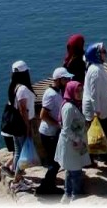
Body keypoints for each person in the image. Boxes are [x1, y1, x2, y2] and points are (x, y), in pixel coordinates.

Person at [37, 67, 72, 195]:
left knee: (56, 161)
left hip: (53, 132)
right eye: (65, 78)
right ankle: (45, 188)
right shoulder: (51, 94)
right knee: (55, 162)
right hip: (49, 133)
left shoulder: (59, 91)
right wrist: (58, 124)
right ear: (58, 80)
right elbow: (43, 115)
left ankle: (48, 186)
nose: (68, 80)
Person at [2, 60, 37, 191]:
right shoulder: (22, 89)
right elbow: (23, 109)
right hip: (22, 123)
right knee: (20, 152)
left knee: (18, 151)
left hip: (16, 124)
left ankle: (18, 178)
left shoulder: (14, 85)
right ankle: (17, 179)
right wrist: (27, 126)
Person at [56, 80, 90, 203]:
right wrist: (78, 140)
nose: (80, 93)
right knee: (75, 171)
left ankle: (67, 194)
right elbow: (66, 129)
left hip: (74, 143)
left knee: (71, 170)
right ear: (71, 91)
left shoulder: (74, 104)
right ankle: (76, 195)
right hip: (72, 144)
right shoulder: (69, 108)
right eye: (77, 91)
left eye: (81, 90)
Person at [82, 43, 107, 150]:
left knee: (103, 132)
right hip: (97, 109)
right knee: (100, 133)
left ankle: (103, 153)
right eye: (103, 52)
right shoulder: (96, 71)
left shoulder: (97, 67)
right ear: (97, 55)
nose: (106, 53)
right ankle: (101, 154)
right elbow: (94, 93)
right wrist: (97, 110)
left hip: (100, 106)